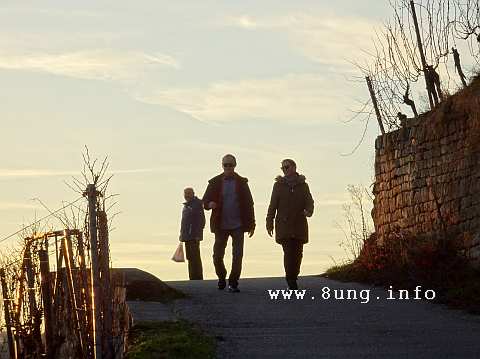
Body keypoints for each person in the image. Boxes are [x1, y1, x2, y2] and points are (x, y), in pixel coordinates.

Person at [202, 154, 255, 292]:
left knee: (237, 255)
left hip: (238, 225)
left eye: (230, 165)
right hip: (221, 225)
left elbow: (249, 204)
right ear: (222, 166)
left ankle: (233, 282)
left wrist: (252, 224)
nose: (228, 167)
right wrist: (209, 204)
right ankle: (221, 276)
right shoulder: (214, 182)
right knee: (217, 256)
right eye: (225, 165)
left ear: (235, 165)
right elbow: (205, 201)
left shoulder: (242, 183)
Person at [266, 159, 314, 290]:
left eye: (286, 167)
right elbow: (273, 205)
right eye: (283, 168)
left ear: (294, 168)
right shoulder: (278, 185)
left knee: (298, 253)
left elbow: (309, 201)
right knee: (288, 253)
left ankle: (294, 274)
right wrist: (269, 222)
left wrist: (309, 211)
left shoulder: (303, 185)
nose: (284, 170)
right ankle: (290, 279)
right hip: (284, 224)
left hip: (299, 224)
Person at [179, 187, 205, 280]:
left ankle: (197, 277)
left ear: (193, 193)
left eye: (189, 193)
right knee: (190, 257)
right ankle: (193, 277)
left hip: (194, 236)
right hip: (187, 236)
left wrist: (198, 234)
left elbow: (201, 220)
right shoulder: (187, 205)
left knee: (195, 257)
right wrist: (182, 235)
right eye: (185, 194)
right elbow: (184, 222)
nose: (187, 195)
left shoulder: (196, 204)